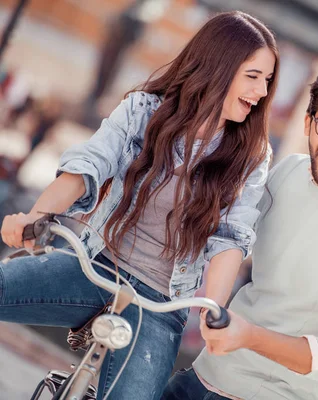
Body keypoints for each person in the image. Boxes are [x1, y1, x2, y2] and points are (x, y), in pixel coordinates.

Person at [0, 11, 279, 400]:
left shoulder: (251, 156)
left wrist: (213, 311)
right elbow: (88, 167)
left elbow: (230, 238)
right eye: (253, 77)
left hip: (160, 305)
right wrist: (34, 218)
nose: (262, 92)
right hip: (91, 267)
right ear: (219, 67)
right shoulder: (143, 111)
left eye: (268, 80)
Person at [162, 63, 318, 400]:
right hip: (205, 376)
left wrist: (250, 336)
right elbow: (226, 233)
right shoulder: (289, 171)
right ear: (308, 123)